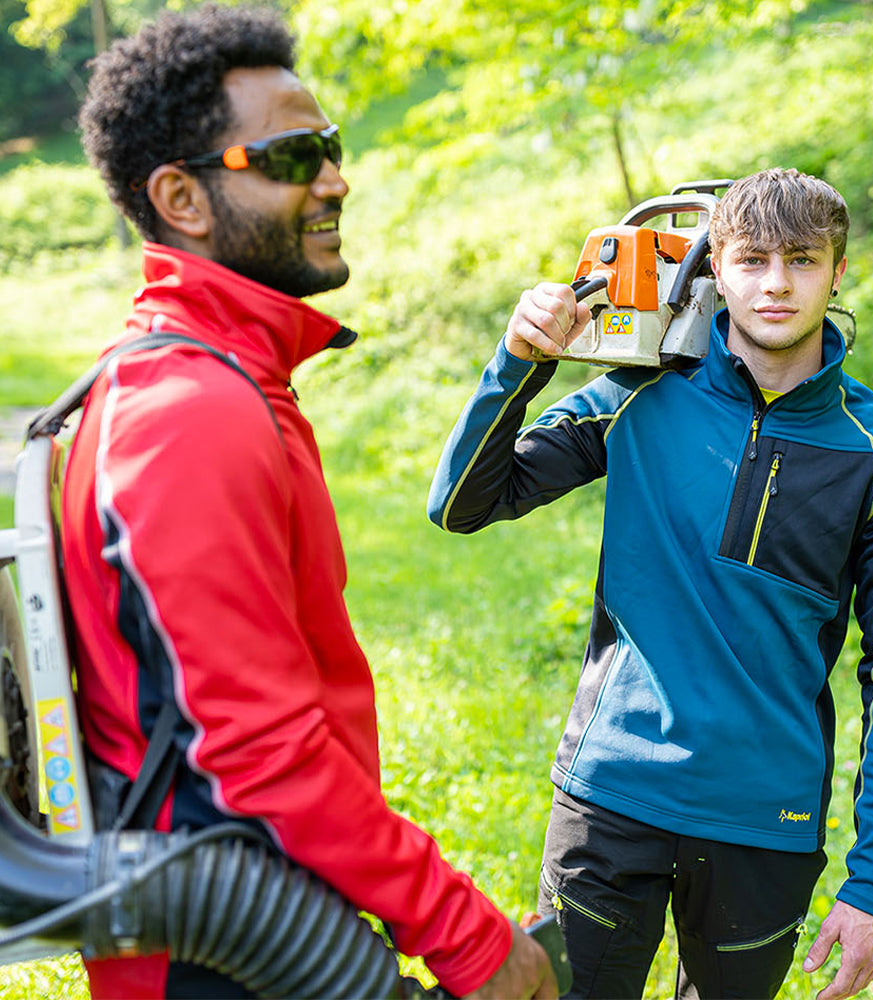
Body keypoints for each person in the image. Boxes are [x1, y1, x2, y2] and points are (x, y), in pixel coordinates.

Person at [65, 5, 556, 999]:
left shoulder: (218, 378)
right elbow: (255, 745)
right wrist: (467, 935)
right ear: (181, 198)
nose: (335, 179)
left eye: (328, 148)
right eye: (293, 157)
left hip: (266, 916)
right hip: (217, 946)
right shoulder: (190, 411)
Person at [428, 168, 873, 1000]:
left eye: (803, 261)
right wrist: (519, 363)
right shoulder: (639, 393)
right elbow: (462, 503)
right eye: (752, 260)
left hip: (764, 822)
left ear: (839, 270)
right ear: (717, 268)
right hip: (611, 793)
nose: (776, 284)